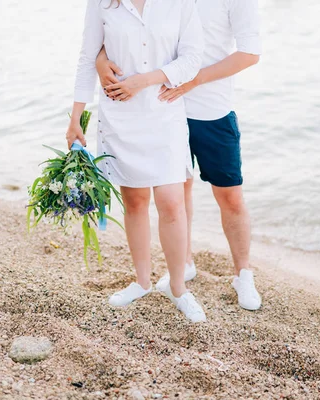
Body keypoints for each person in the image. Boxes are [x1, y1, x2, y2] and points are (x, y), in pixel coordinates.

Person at [97, 0, 262, 310]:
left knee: (230, 197)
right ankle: (185, 264)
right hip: (163, 111)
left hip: (211, 111)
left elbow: (249, 53)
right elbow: (124, 29)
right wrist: (100, 60)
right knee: (177, 196)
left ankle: (243, 273)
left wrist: (194, 79)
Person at [66, 0, 207, 322]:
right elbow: (88, 58)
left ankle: (178, 288)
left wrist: (142, 80)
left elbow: (193, 59)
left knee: (172, 204)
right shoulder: (103, 3)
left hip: (163, 111)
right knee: (135, 201)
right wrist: (76, 118)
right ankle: (142, 281)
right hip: (120, 116)